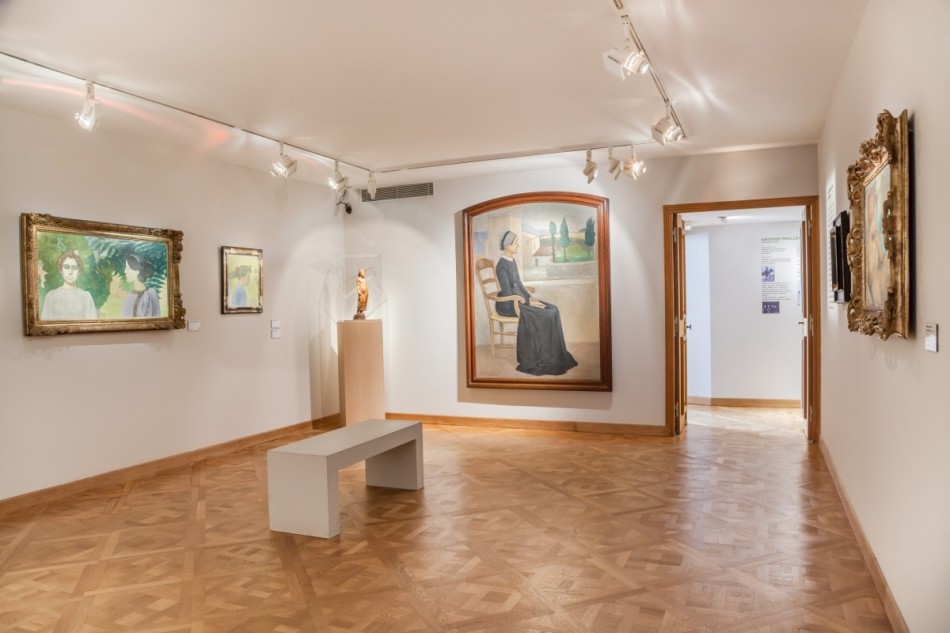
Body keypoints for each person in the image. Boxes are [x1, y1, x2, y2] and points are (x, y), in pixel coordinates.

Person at [495, 230, 577, 376]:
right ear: (507, 245)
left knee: (553, 309)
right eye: (516, 242)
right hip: (508, 304)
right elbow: (507, 292)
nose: (518, 245)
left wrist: (530, 298)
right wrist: (528, 302)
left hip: (520, 299)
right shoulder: (501, 266)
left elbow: (519, 284)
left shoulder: (512, 261)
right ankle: (542, 357)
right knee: (545, 314)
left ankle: (554, 355)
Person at [40, 251, 98, 320]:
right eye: (66, 267)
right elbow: (45, 323)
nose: (70, 272)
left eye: (74, 268)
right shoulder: (51, 296)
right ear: (61, 270)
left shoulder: (86, 296)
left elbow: (92, 323)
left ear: (79, 271)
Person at [122, 253, 160, 317]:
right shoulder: (130, 295)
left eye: (128, 268)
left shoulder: (151, 294)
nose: (125, 271)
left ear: (138, 271)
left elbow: (156, 317)